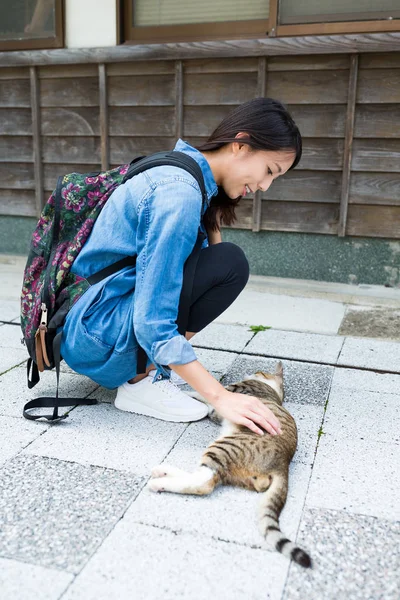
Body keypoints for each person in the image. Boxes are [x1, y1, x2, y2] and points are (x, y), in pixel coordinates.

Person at [60, 97, 302, 437]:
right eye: (269, 171)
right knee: (231, 262)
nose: (264, 186)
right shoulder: (178, 193)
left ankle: (149, 368)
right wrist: (220, 397)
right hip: (97, 335)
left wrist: (214, 211)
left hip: (95, 323)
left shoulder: (189, 174)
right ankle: (140, 381)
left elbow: (205, 271)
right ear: (241, 145)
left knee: (226, 263)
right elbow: (153, 319)